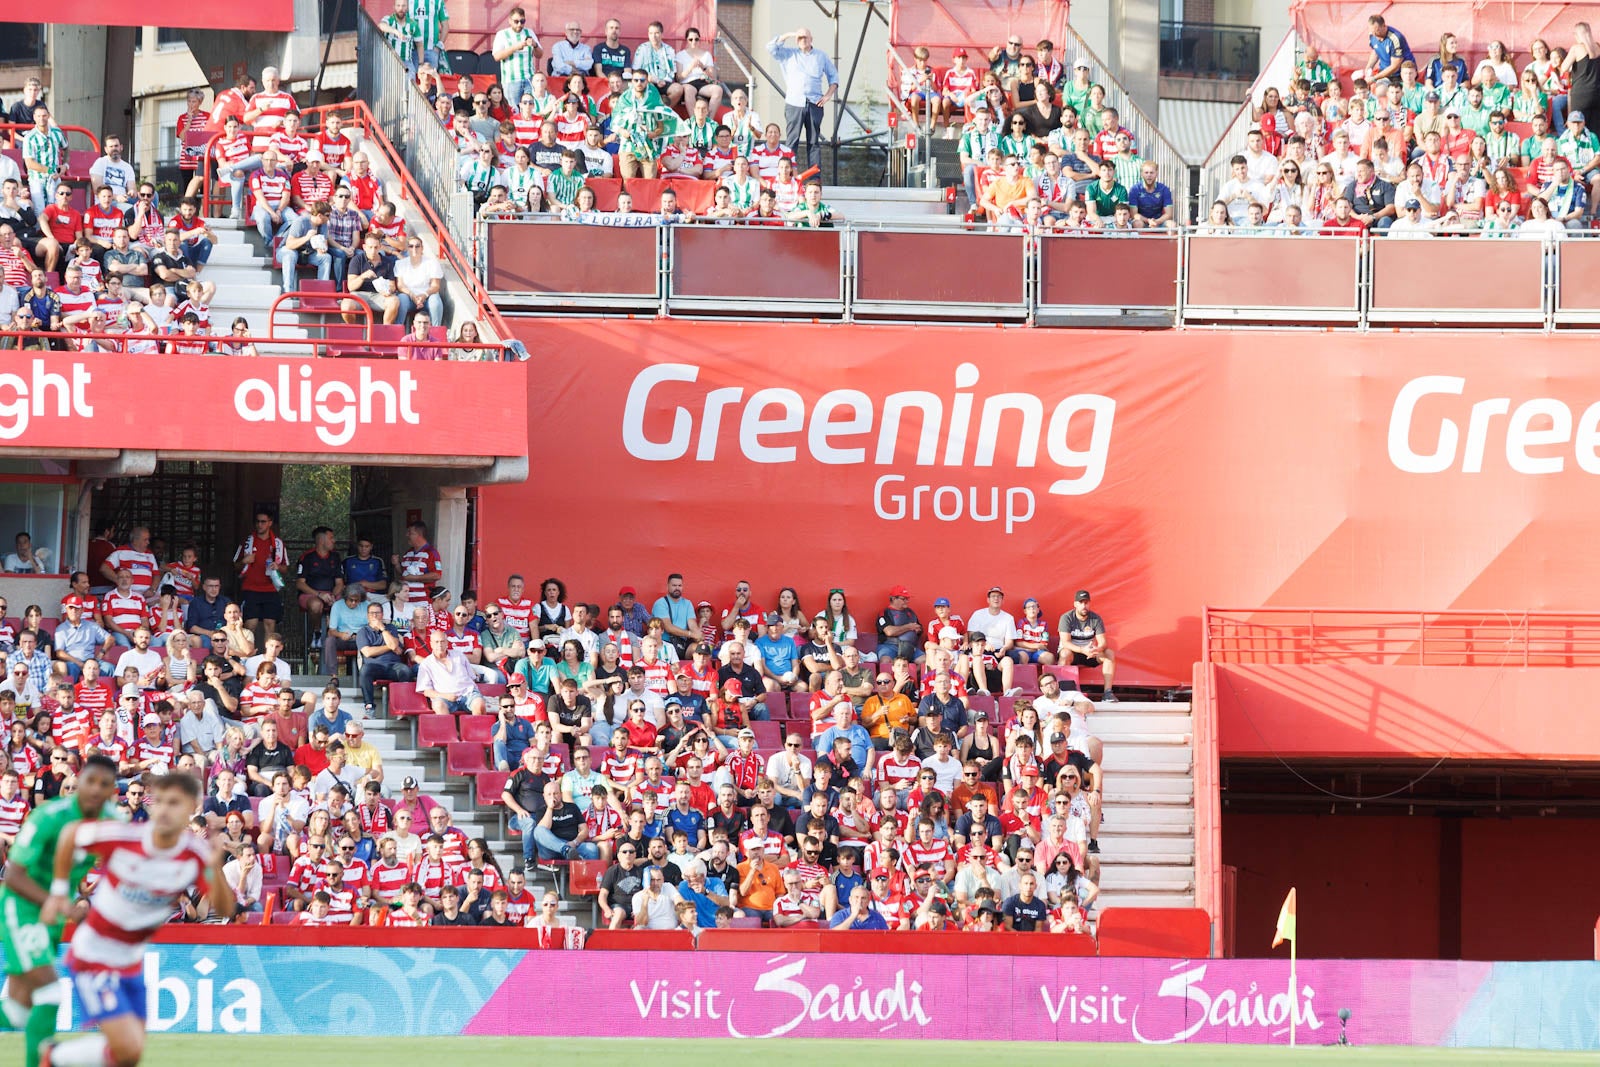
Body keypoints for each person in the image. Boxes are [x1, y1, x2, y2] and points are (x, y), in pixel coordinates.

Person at [40, 772, 231, 1067]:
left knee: (128, 1055)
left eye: (175, 803)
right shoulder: (124, 837)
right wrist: (58, 891)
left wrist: (215, 867)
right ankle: (53, 1058)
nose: (165, 809)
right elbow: (69, 835)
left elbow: (226, 908)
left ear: (192, 807)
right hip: (94, 955)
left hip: (130, 962)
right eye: (161, 802)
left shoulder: (194, 855)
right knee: (127, 1046)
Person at [0, 754, 118, 1067]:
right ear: (79, 782)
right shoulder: (49, 817)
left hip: (52, 916)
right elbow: (12, 875)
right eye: (89, 781)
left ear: (112, 790)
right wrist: (63, 903)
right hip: (21, 909)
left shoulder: (112, 822)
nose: (95, 789)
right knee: (50, 993)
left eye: (103, 784)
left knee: (17, 1011)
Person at [768, 27, 837, 170]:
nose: (803, 40)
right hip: (794, 103)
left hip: (814, 103)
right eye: (800, 38)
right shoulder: (788, 54)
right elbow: (771, 48)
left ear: (811, 39)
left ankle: (814, 179)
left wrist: (828, 95)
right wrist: (790, 33)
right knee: (792, 141)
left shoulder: (821, 56)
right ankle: (787, 175)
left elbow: (834, 76)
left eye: (805, 37)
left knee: (813, 142)